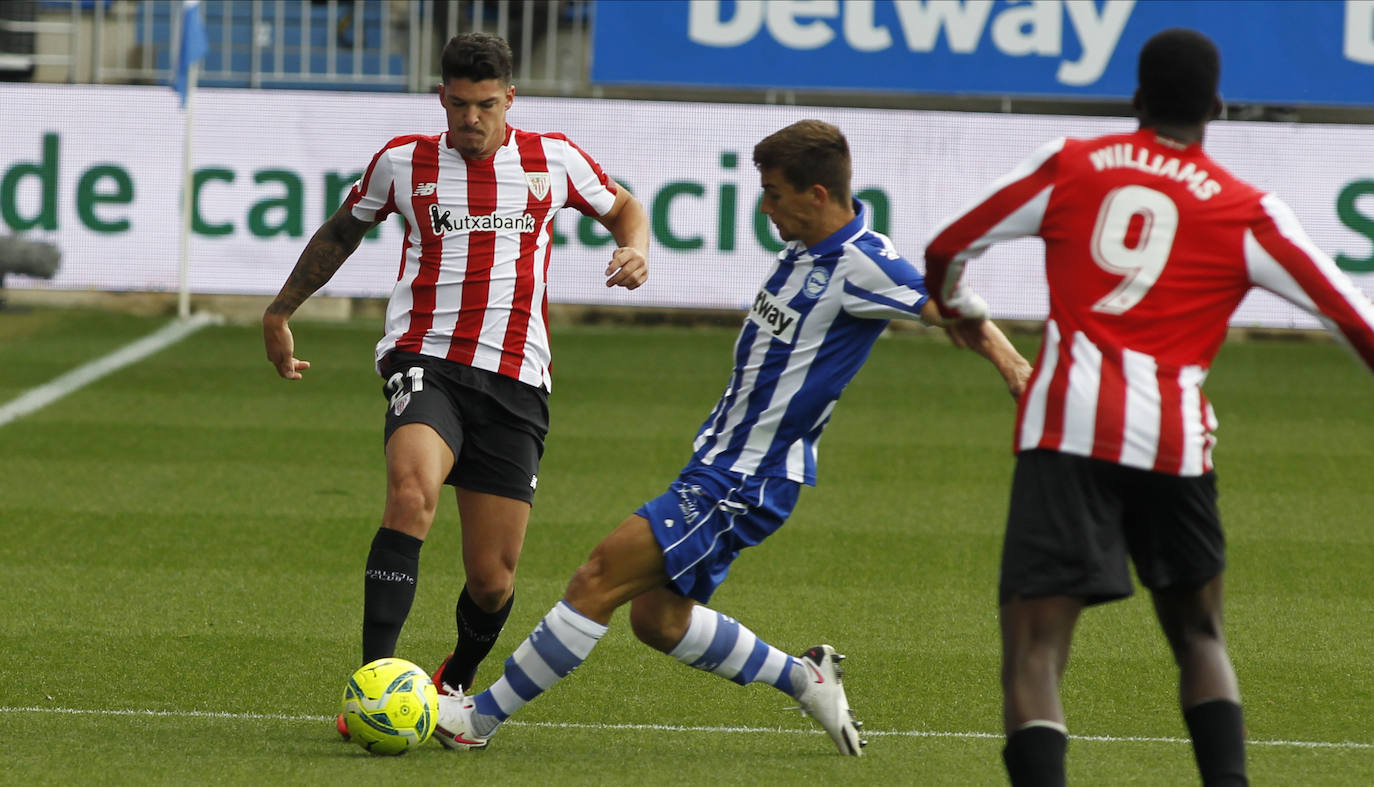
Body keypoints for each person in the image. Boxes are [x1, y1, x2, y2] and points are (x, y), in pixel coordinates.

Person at [429, 119, 1033, 755]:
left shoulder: (864, 264)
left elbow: (948, 307)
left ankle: (479, 720)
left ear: (817, 195)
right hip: (721, 464)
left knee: (596, 578)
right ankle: (806, 677)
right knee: (658, 622)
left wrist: (1014, 366)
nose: (765, 207)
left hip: (746, 478)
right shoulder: (805, 248)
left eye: (774, 194)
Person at [923, 28, 1374, 787]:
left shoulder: (1071, 166)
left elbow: (946, 246)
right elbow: (1356, 321)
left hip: (1064, 424)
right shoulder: (1247, 210)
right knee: (1201, 636)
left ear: (1135, 99)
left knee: (1035, 652)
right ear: (1217, 108)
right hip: (1173, 440)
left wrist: (960, 303)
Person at [261, 32, 650, 738]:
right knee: (412, 495)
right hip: (425, 360)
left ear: (510, 100)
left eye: (487, 105)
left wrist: (635, 247)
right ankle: (372, 688)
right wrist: (281, 309)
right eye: (460, 104)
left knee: (493, 578)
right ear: (441, 96)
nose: (472, 119)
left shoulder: (552, 160)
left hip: (516, 380)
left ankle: (456, 681)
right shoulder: (403, 163)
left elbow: (625, 206)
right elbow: (341, 232)